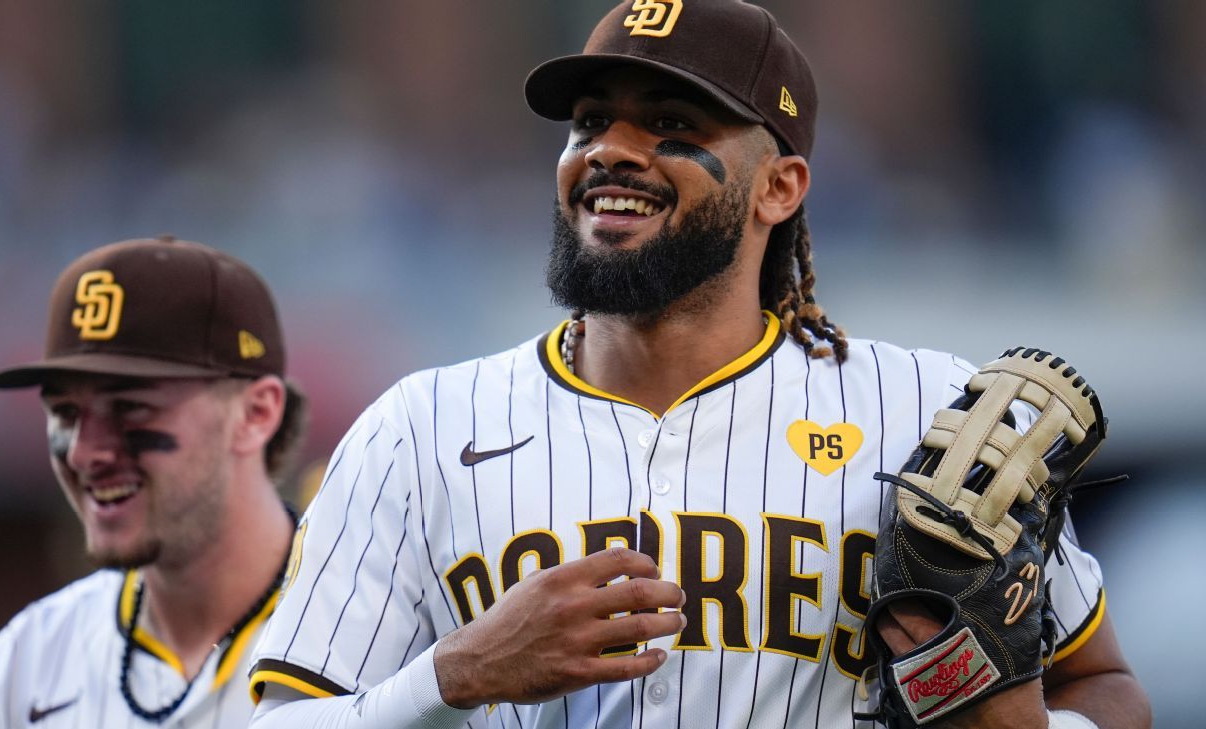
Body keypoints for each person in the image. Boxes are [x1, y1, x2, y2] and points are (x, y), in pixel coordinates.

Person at [248, 2, 1150, 728]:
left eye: (672, 124)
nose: (610, 149)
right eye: (590, 122)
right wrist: (457, 674)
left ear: (780, 186)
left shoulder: (922, 408)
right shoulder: (420, 429)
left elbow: (1105, 689)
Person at [0, 237, 306, 728]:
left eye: (131, 407)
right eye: (64, 413)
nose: (83, 452)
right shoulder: (27, 661)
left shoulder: (376, 633)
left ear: (255, 413)